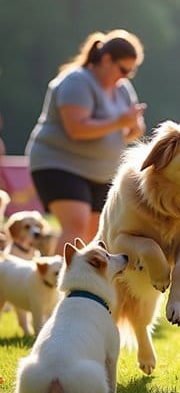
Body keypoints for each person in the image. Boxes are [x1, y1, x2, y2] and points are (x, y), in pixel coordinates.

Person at [27, 29, 147, 252]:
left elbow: (129, 132)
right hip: (60, 164)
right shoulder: (76, 81)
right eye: (122, 69)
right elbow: (77, 129)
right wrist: (120, 120)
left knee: (95, 236)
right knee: (76, 226)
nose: (124, 76)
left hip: (101, 173)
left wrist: (133, 126)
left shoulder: (122, 89)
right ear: (106, 59)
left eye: (130, 72)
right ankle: (55, 283)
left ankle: (82, 286)